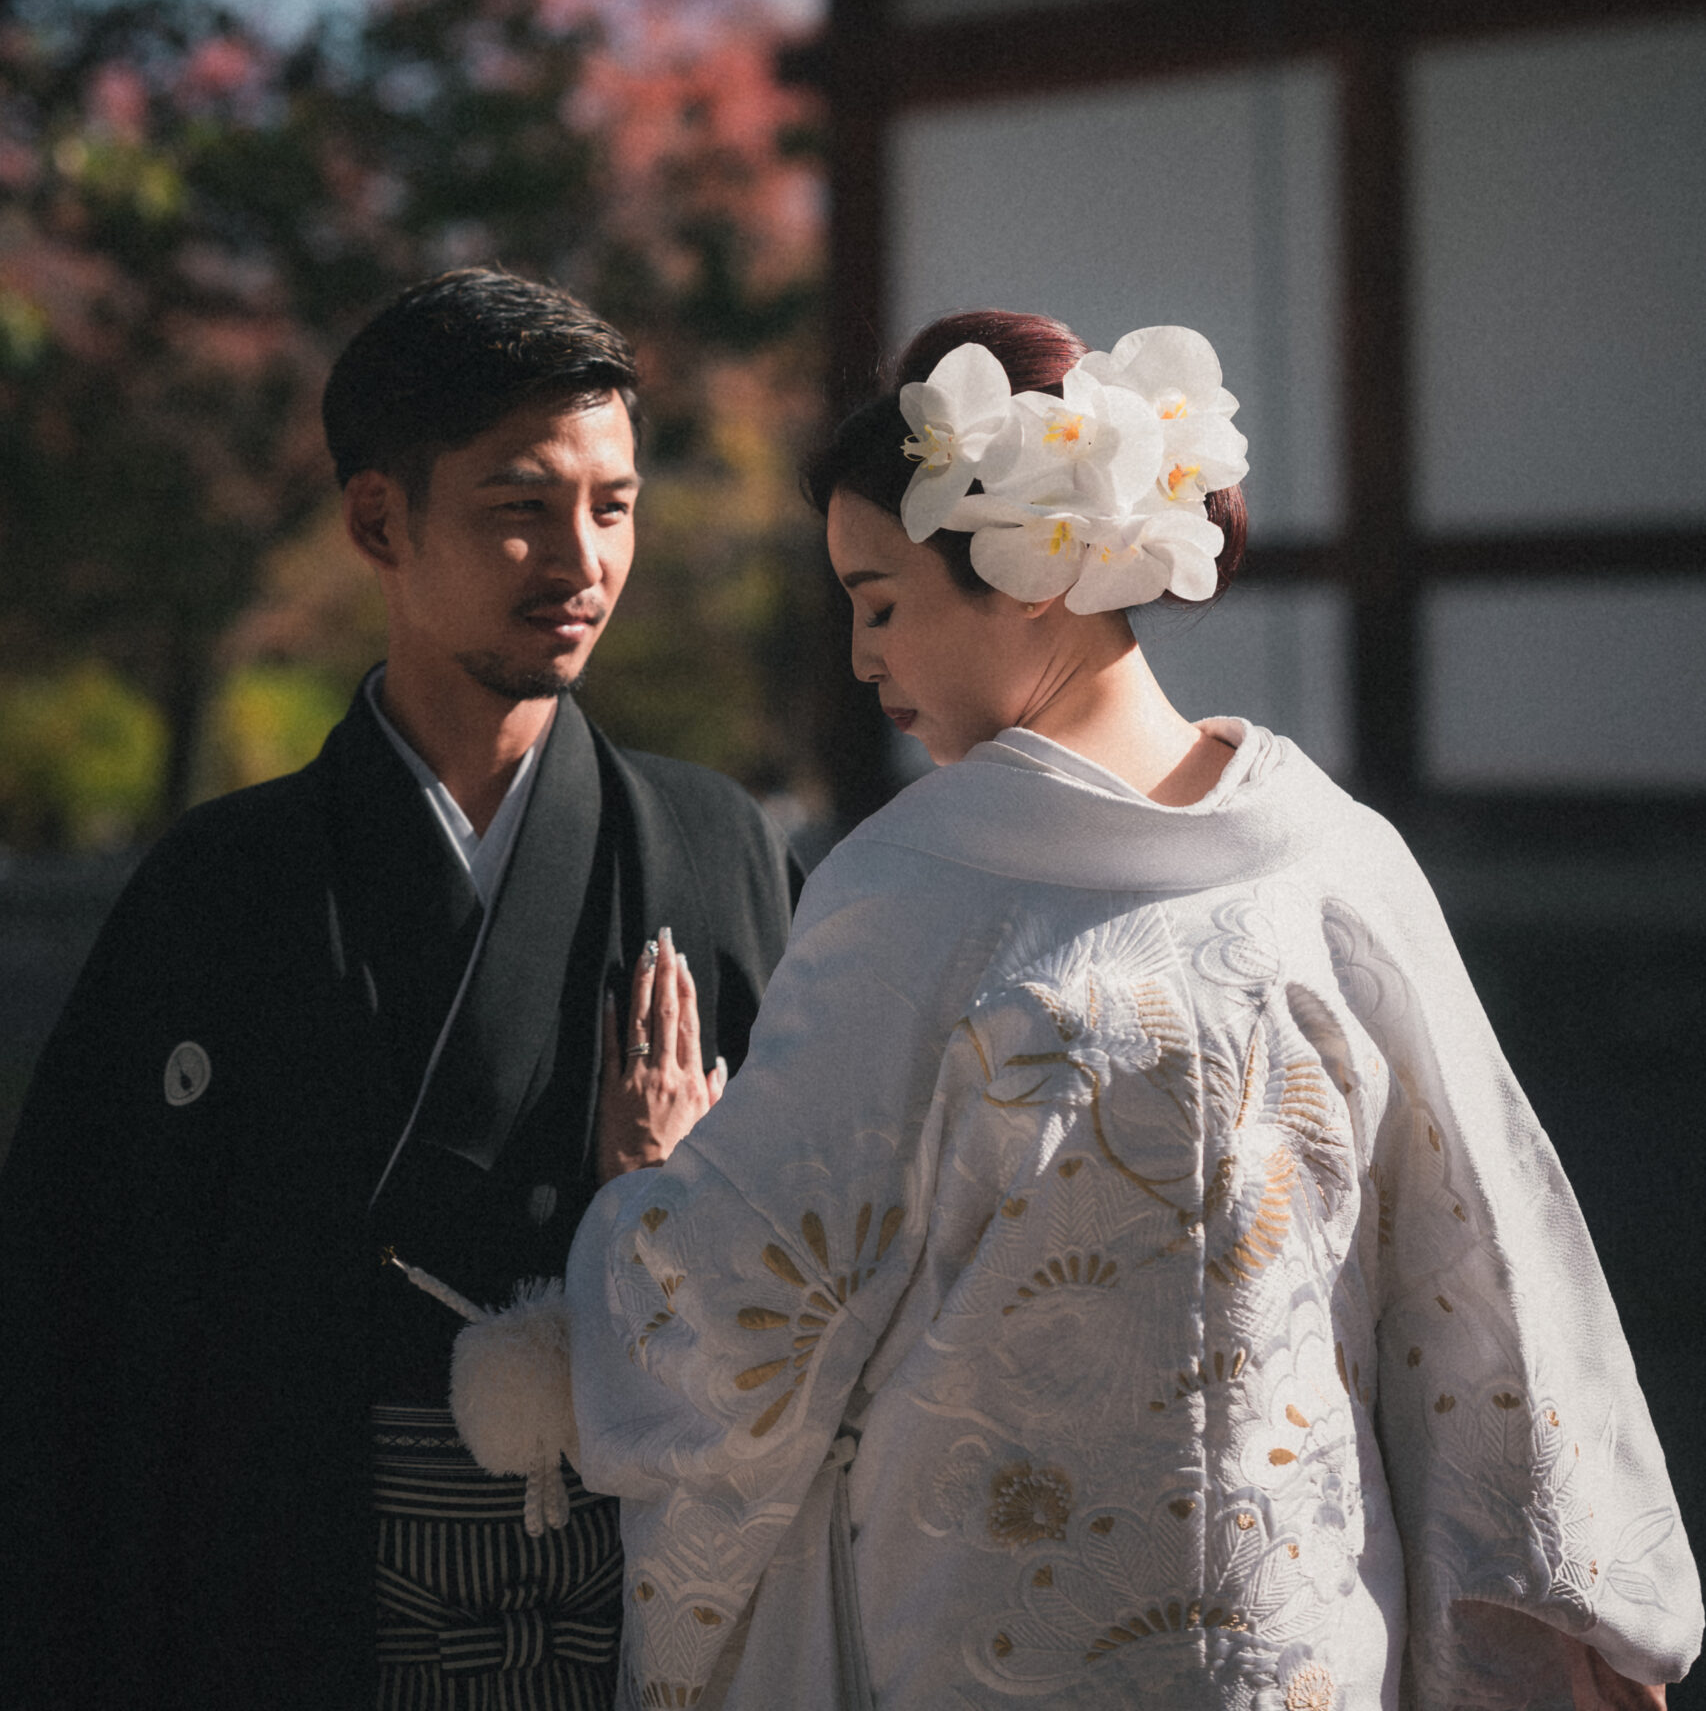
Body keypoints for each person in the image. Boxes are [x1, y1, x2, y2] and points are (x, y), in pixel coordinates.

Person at [451, 307, 1701, 1711]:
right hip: (1298, 1639)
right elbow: (1490, 1277)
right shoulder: (1339, 863)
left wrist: (656, 1189)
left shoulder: (915, 892)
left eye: (878, 603)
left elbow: (748, 1325)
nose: (865, 661)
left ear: (1036, 572)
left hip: (991, 1645)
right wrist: (1571, 1612)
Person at [0, 269, 795, 1711]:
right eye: (520, 507)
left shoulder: (710, 846)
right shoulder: (221, 884)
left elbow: (830, 1259)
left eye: (612, 507)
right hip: (299, 1590)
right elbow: (79, 1304)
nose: (581, 559)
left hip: (636, 1593)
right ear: (380, 520)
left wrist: (663, 1200)